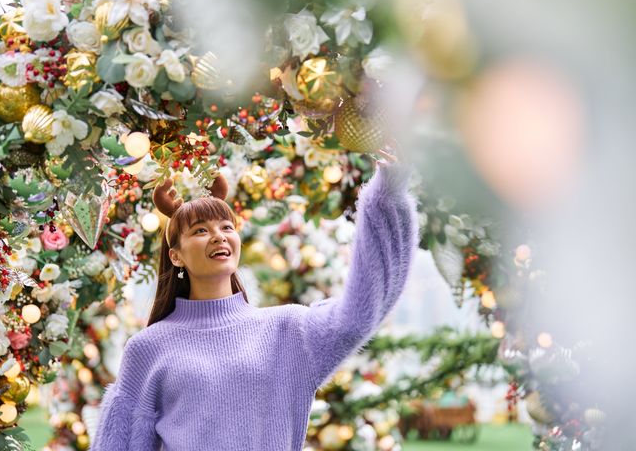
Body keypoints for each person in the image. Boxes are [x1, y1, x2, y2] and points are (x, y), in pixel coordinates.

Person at [91, 147, 418, 450]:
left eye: (226, 226)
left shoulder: (288, 330)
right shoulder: (148, 348)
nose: (219, 235)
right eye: (200, 230)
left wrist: (386, 197)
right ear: (176, 256)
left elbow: (359, 316)